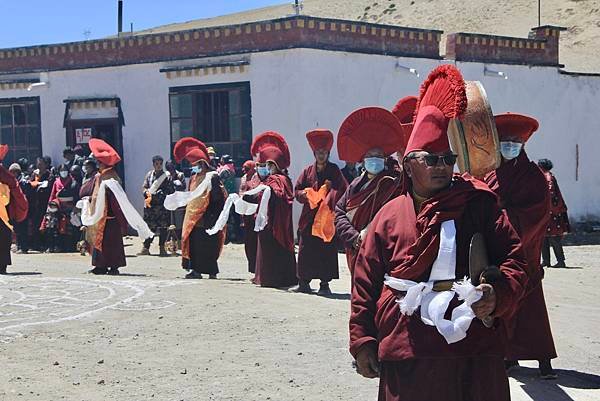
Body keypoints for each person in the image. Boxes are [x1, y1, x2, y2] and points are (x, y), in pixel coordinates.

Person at [349, 65, 529, 401]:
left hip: (469, 343)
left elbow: (514, 259)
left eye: (448, 159)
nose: (442, 166)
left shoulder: (478, 205)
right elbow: (365, 284)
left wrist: (497, 294)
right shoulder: (388, 217)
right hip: (408, 347)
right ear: (408, 164)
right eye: (431, 160)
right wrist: (362, 341)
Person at [484, 113, 557, 379]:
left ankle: (544, 361)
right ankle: (509, 356)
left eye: (516, 142)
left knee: (532, 311)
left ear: (523, 146)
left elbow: (535, 215)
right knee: (504, 307)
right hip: (497, 253)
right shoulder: (491, 172)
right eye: (506, 141)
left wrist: (500, 216)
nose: (510, 146)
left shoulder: (533, 176)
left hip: (524, 253)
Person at [334, 107, 409, 279]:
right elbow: (339, 212)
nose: (374, 159)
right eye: (370, 155)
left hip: (382, 250)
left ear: (385, 158)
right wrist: (354, 237)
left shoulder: (393, 182)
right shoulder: (355, 185)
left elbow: (396, 215)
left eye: (379, 155)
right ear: (363, 159)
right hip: (356, 248)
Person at [294, 129, 348, 295]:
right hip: (309, 218)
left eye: (324, 152)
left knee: (326, 250)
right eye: (318, 152)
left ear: (328, 153)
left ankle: (325, 284)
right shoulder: (307, 171)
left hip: (326, 218)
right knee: (305, 249)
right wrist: (304, 194)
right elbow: (297, 190)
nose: (321, 155)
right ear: (314, 153)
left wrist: (331, 194)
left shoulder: (334, 171)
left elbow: (343, 189)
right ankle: (304, 282)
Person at [168, 138, 227, 279]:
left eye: (194, 164)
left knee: (209, 246)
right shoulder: (194, 178)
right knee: (194, 245)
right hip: (193, 218)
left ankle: (212, 271)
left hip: (208, 217)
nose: (192, 167)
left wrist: (208, 210)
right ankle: (195, 270)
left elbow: (218, 198)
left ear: (202, 163)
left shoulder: (212, 177)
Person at [245, 131, 297, 288]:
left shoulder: (281, 179)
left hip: (277, 222)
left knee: (276, 250)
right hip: (266, 220)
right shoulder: (268, 180)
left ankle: (277, 279)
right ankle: (263, 277)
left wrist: (272, 193)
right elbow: (261, 195)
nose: (268, 168)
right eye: (267, 165)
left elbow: (283, 196)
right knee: (265, 249)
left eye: (270, 165)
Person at [83, 139, 133, 275]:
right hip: (99, 215)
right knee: (99, 241)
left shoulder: (112, 177)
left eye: (99, 163)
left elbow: (115, 197)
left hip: (110, 215)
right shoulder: (99, 176)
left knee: (112, 242)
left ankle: (114, 266)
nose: (98, 165)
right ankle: (100, 266)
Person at [0, 145, 28, 274]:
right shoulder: (5, 174)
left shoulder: (4, 173)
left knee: (4, 238)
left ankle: (2, 265)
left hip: (3, 211)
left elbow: (13, 186)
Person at [538, 158, 570, 268]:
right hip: (549, 212)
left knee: (553, 238)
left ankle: (560, 261)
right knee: (544, 238)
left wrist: (546, 208)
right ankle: (546, 261)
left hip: (550, 212)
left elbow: (550, 193)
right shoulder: (547, 176)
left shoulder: (547, 177)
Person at [139, 155, 172, 257]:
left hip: (162, 206)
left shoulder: (166, 176)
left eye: (160, 164)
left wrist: (162, 192)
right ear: (153, 164)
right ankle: (146, 248)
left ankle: (162, 248)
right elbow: (144, 186)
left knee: (163, 227)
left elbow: (170, 189)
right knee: (149, 227)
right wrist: (145, 192)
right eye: (156, 164)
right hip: (151, 206)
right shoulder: (149, 175)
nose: (158, 166)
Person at [47, 164, 80, 252]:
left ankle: (70, 247)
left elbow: (76, 196)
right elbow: (52, 195)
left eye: (65, 170)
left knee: (70, 229)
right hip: (58, 208)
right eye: (61, 170)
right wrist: (50, 206)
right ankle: (58, 246)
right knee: (56, 228)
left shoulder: (73, 182)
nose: (63, 172)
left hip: (70, 208)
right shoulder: (56, 182)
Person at [239, 160, 261, 277]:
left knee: (256, 243)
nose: (244, 170)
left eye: (247, 168)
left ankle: (258, 270)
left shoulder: (257, 178)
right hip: (246, 214)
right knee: (249, 243)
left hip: (255, 215)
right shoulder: (243, 178)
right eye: (244, 168)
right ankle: (253, 269)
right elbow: (241, 193)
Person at [30, 156, 54, 252]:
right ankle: (36, 245)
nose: (39, 166)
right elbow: (30, 185)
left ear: (46, 165)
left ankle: (46, 245)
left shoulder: (49, 175)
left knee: (45, 225)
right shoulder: (34, 175)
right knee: (35, 225)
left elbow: (49, 187)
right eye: (38, 164)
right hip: (35, 204)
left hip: (45, 204)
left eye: (41, 164)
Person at [10, 163, 33, 254]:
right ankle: (19, 245)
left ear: (17, 172)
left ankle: (24, 247)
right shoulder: (13, 182)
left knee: (23, 228)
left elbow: (28, 197)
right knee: (17, 228)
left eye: (13, 172)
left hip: (23, 208)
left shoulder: (24, 182)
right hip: (15, 209)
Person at [165, 160, 186, 247]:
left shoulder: (180, 175)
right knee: (169, 223)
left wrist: (177, 183)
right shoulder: (165, 176)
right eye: (169, 167)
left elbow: (183, 187)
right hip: (168, 202)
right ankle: (171, 242)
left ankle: (180, 242)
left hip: (178, 202)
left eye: (172, 167)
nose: (171, 169)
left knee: (179, 223)